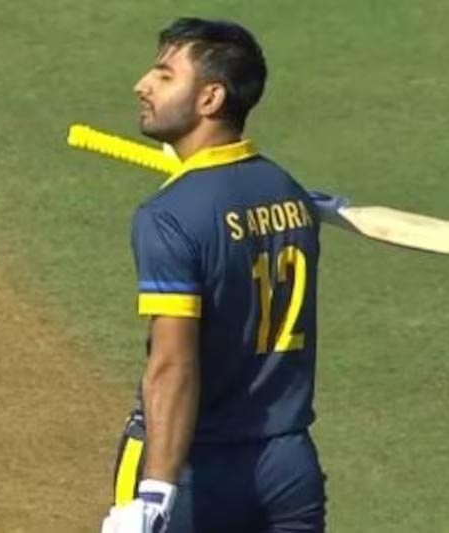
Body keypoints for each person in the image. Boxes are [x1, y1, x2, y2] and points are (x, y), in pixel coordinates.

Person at [101, 17, 326, 533]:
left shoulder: (168, 216)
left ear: (210, 98)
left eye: (164, 76)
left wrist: (154, 494)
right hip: (289, 467)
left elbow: (172, 365)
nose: (142, 85)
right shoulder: (290, 194)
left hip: (198, 471)